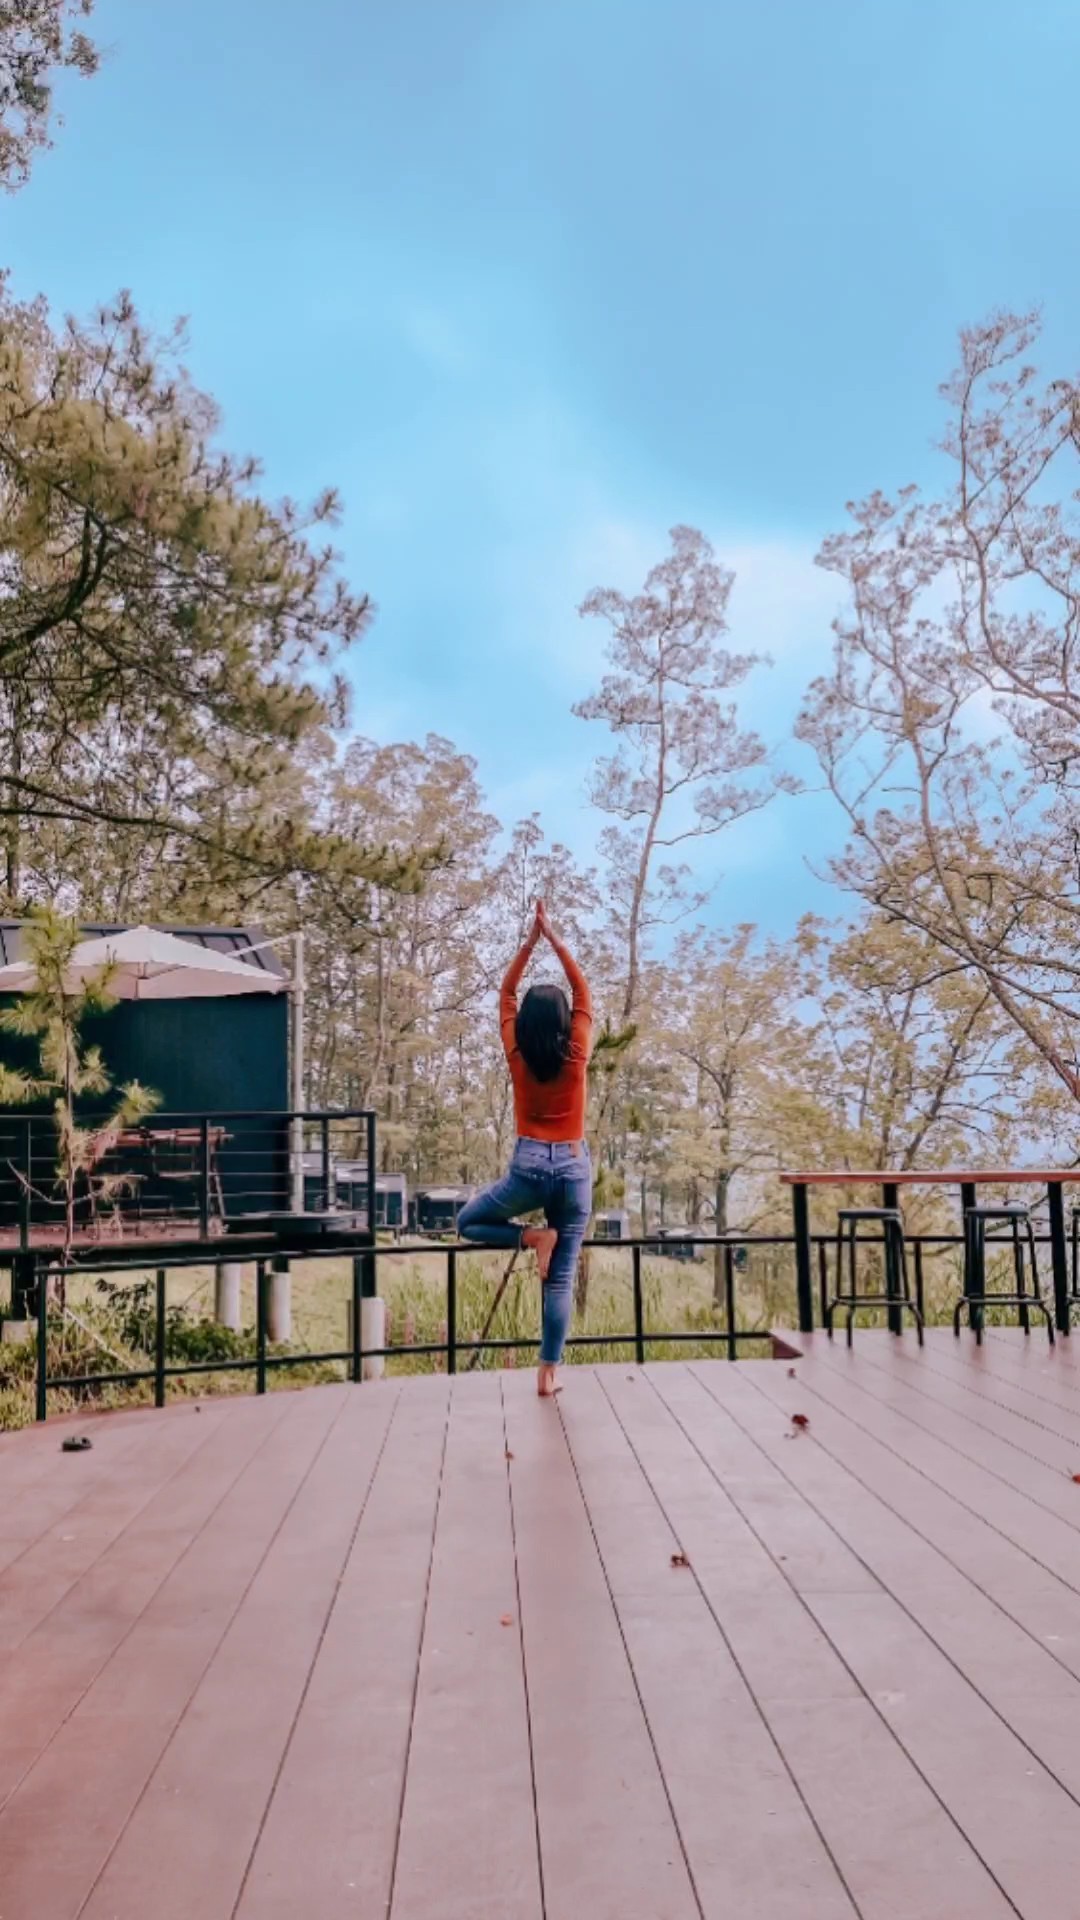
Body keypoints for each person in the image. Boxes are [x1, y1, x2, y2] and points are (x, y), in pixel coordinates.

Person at [457, 899, 593, 1397]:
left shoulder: (516, 1052)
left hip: (529, 1166)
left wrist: (529, 943)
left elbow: (506, 992)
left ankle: (533, 1237)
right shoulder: (576, 1053)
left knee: (467, 1223)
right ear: (564, 1021)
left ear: (527, 1024)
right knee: (560, 1280)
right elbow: (582, 990)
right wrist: (553, 938)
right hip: (573, 1167)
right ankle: (548, 1374)